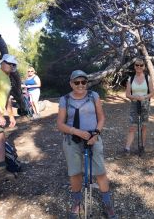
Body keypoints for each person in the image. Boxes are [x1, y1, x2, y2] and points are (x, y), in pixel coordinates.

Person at [57, 70, 117, 219]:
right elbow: (60, 124)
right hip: (72, 139)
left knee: (100, 171)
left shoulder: (93, 96)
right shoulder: (64, 99)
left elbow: (101, 118)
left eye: (84, 82)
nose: (81, 85)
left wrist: (96, 134)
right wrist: (76, 131)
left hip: (93, 137)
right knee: (75, 172)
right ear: (71, 83)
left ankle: (107, 202)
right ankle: (77, 202)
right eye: (77, 82)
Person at [124, 57, 154, 155]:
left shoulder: (148, 78)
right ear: (134, 66)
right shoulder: (130, 79)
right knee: (132, 127)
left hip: (145, 104)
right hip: (134, 104)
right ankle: (127, 148)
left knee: (144, 126)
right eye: (137, 65)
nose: (139, 67)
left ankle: (142, 146)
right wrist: (135, 97)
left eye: (141, 65)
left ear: (144, 67)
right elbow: (127, 94)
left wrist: (144, 97)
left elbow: (152, 93)